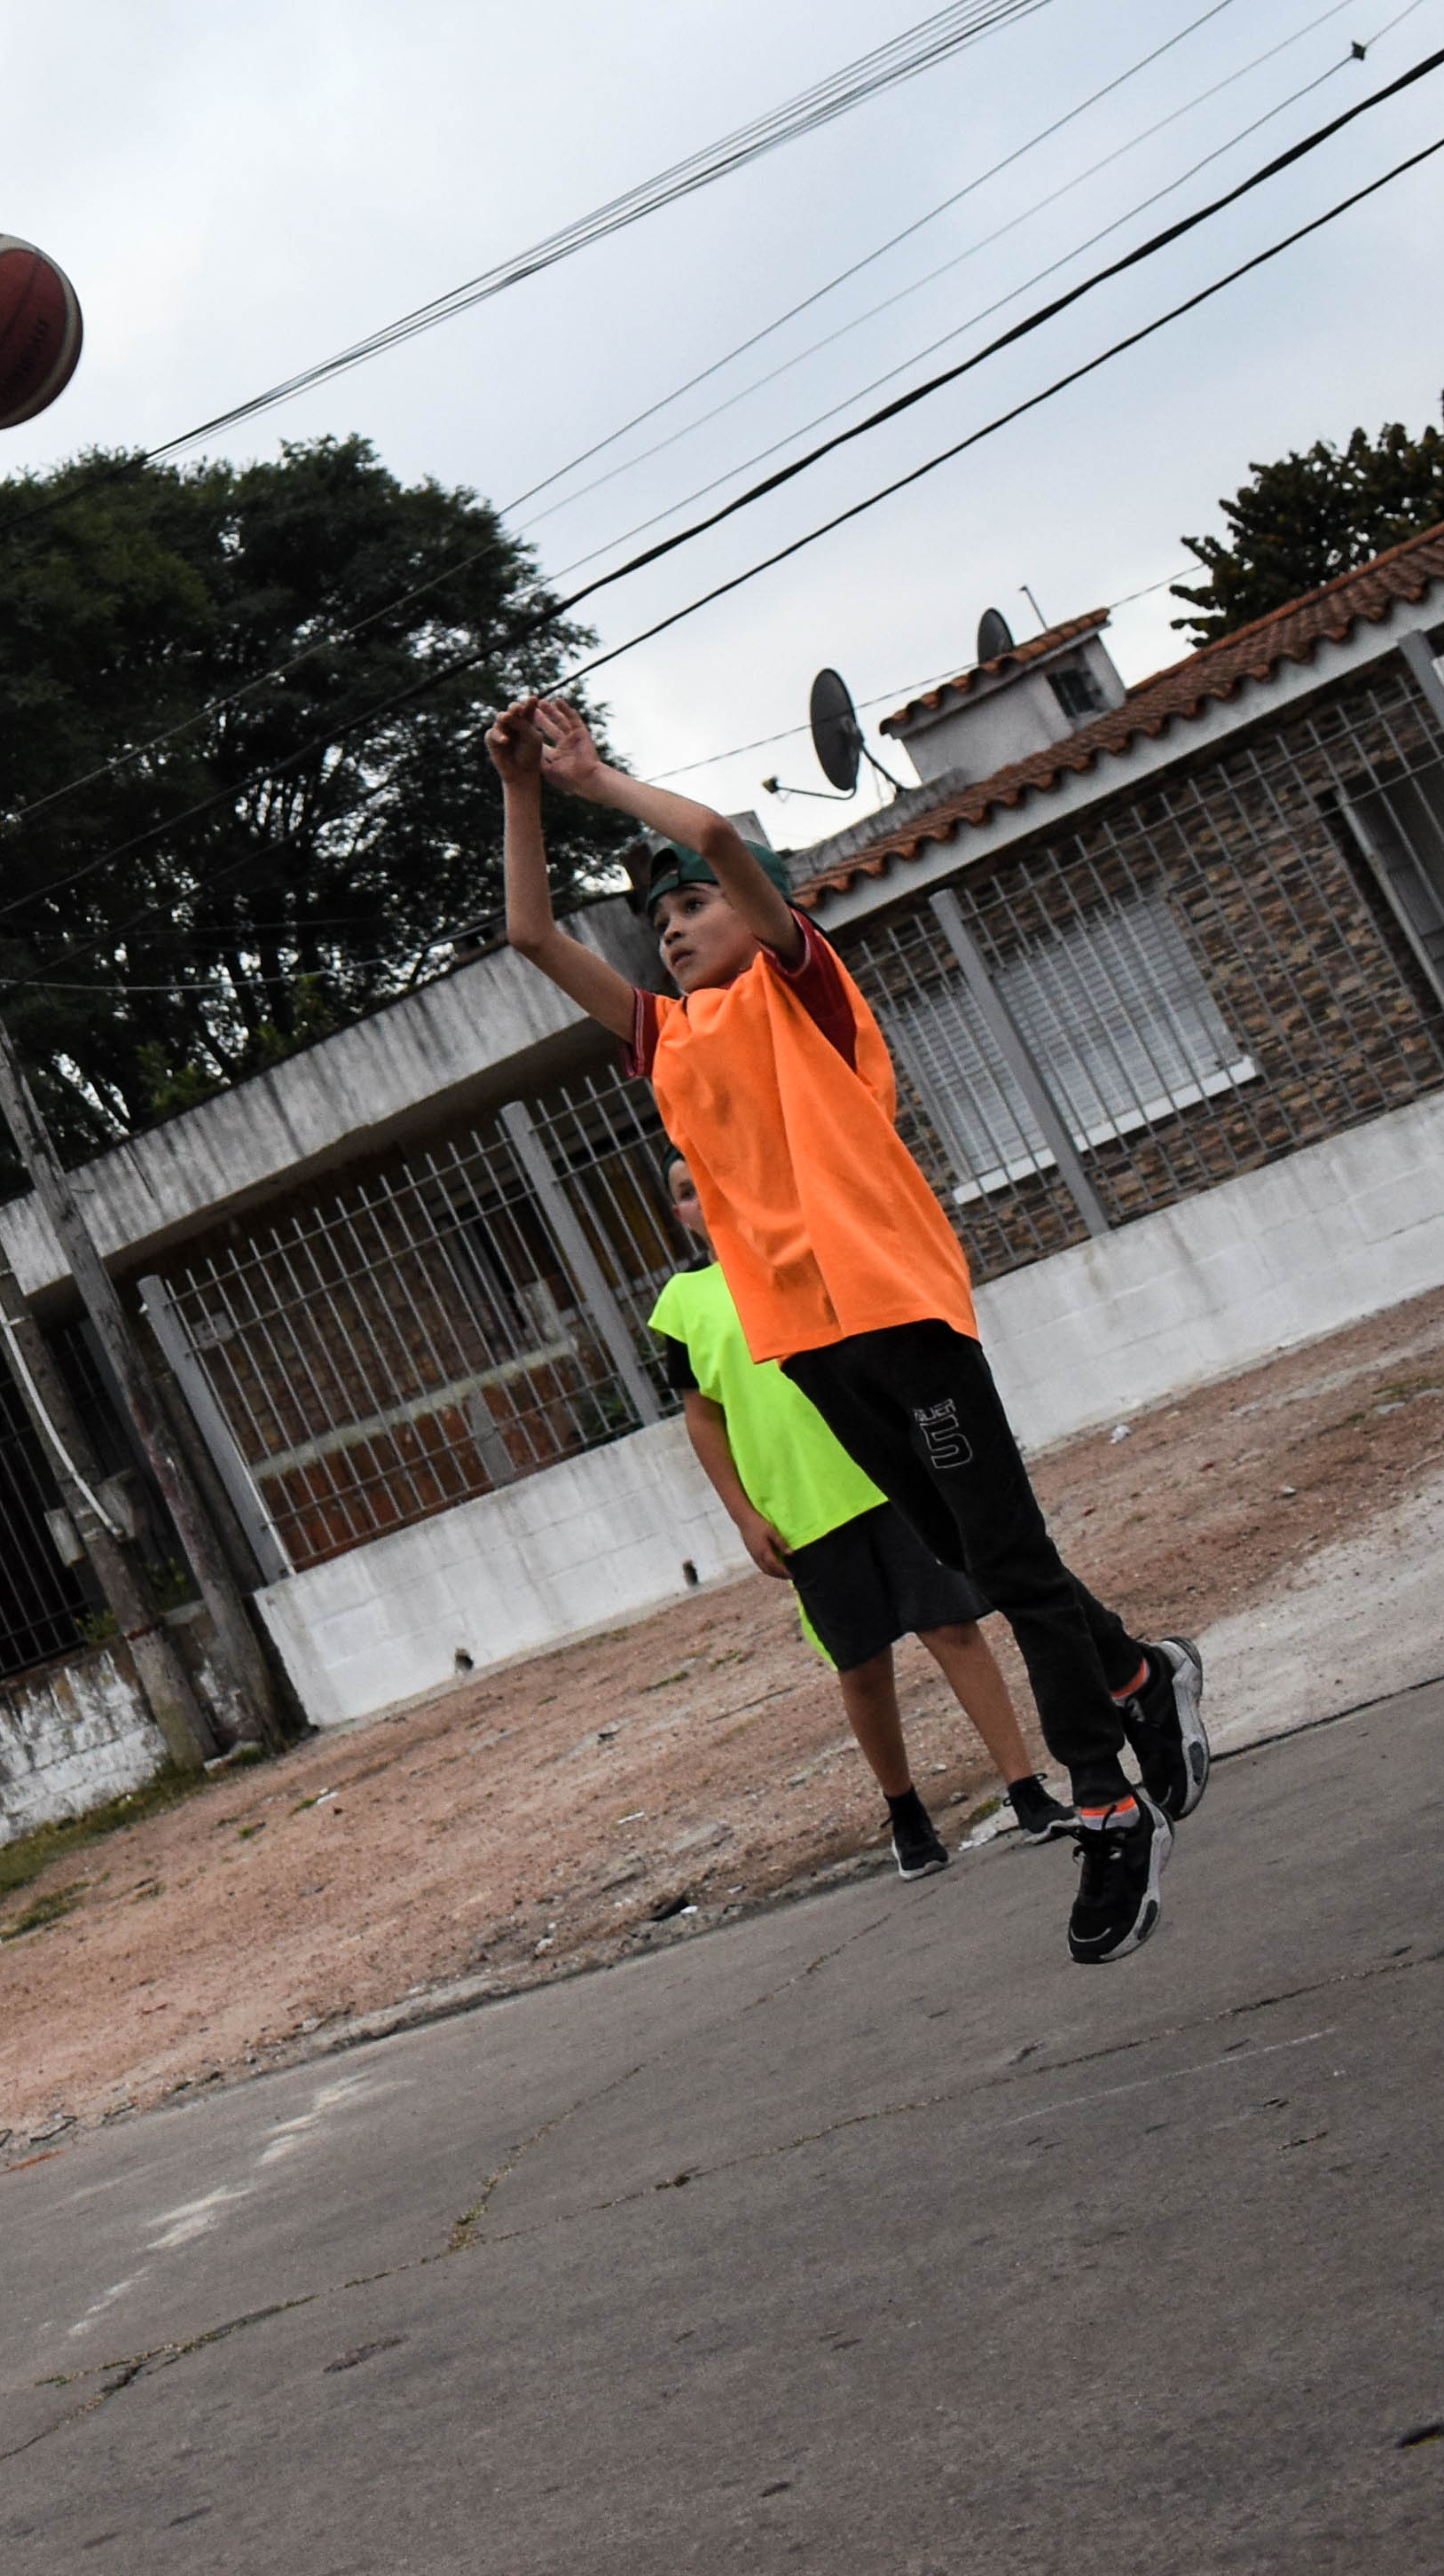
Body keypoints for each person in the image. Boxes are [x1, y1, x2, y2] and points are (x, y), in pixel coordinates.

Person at [485, 693, 1206, 1963]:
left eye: (693, 909)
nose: (673, 931)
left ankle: (1106, 1800)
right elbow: (529, 932)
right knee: (979, 1559)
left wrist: (595, 774)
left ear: (754, 913)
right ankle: (1142, 1677)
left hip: (894, 1305)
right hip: (806, 1342)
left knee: (1009, 1561)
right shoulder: (666, 1040)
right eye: (658, 926)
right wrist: (522, 793)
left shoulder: (801, 990)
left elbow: (709, 832)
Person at [653, 1153, 1070, 1874]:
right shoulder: (680, 1305)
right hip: (800, 1513)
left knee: (953, 1628)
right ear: (679, 1215)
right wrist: (743, 1516)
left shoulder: (797, 1253)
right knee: (861, 1666)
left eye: (705, 1181)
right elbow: (702, 1419)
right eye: (683, 1195)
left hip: (886, 1481)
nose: (699, 1199)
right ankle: (905, 1812)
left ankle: (1025, 1787)